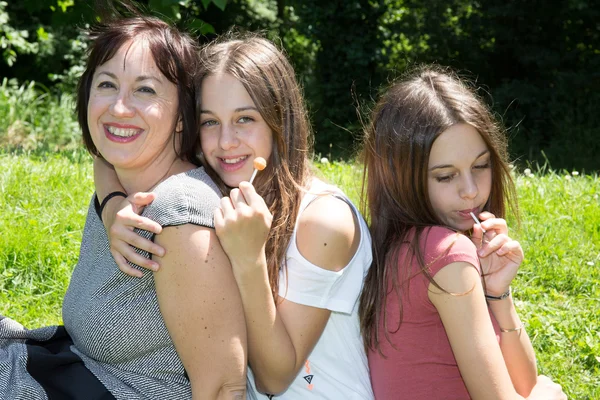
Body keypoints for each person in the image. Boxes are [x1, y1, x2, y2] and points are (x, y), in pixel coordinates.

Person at [96, 33, 374, 399]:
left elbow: (275, 377)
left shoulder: (323, 221)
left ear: (280, 122)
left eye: (245, 119)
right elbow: (106, 158)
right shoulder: (220, 184)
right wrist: (113, 206)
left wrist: (249, 260)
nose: (226, 141)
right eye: (210, 122)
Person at [0, 14, 248, 400]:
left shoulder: (179, 212)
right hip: (72, 370)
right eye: (107, 84)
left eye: (145, 90)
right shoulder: (125, 177)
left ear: (182, 116)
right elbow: (102, 159)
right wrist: (113, 201)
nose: (118, 108)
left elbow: (222, 387)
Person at [358, 66, 567, 399]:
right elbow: (526, 391)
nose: (470, 191)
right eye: (445, 176)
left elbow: (522, 382)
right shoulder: (445, 252)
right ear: (399, 177)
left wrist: (498, 293)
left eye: (481, 166)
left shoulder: (396, 245)